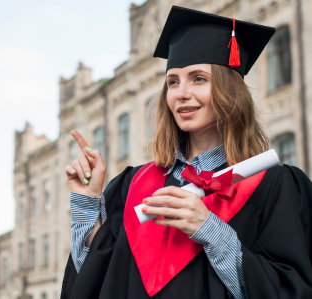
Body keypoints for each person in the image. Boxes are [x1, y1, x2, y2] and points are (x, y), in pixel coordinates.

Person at [61, 6, 312, 299]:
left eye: (198, 79)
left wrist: (210, 230)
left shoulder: (273, 187)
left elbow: (291, 290)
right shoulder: (135, 185)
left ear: (229, 90)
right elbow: (97, 278)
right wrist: (88, 201)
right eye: (173, 81)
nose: (181, 93)